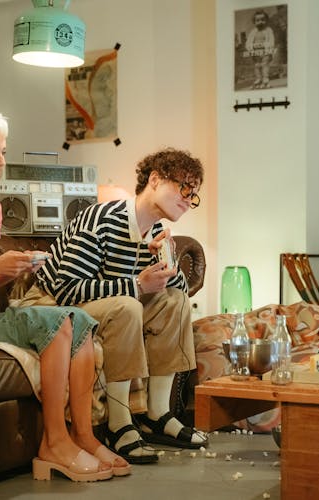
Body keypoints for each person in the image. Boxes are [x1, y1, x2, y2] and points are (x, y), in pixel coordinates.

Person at [0, 99, 130, 481]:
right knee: (59, 322)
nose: (1, 160)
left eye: (3, 151)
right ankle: (54, 443)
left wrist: (14, 269)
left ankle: (83, 435)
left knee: (78, 320)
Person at [18, 148, 208, 464]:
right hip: (53, 305)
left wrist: (166, 261)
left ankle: (157, 414)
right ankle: (119, 423)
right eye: (184, 188)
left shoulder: (158, 231)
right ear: (156, 179)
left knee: (174, 301)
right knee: (127, 305)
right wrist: (137, 285)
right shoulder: (101, 219)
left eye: (194, 195)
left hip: (101, 307)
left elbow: (177, 294)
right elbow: (66, 291)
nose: (189, 199)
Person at [245, 9, 275, 89]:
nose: (260, 22)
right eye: (257, 20)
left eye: (263, 20)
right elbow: (248, 42)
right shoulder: (253, 32)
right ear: (254, 22)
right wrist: (250, 48)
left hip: (265, 51)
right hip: (256, 53)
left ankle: (265, 78)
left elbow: (271, 40)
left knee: (265, 64)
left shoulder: (268, 30)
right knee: (257, 65)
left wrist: (269, 47)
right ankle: (259, 79)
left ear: (266, 21)